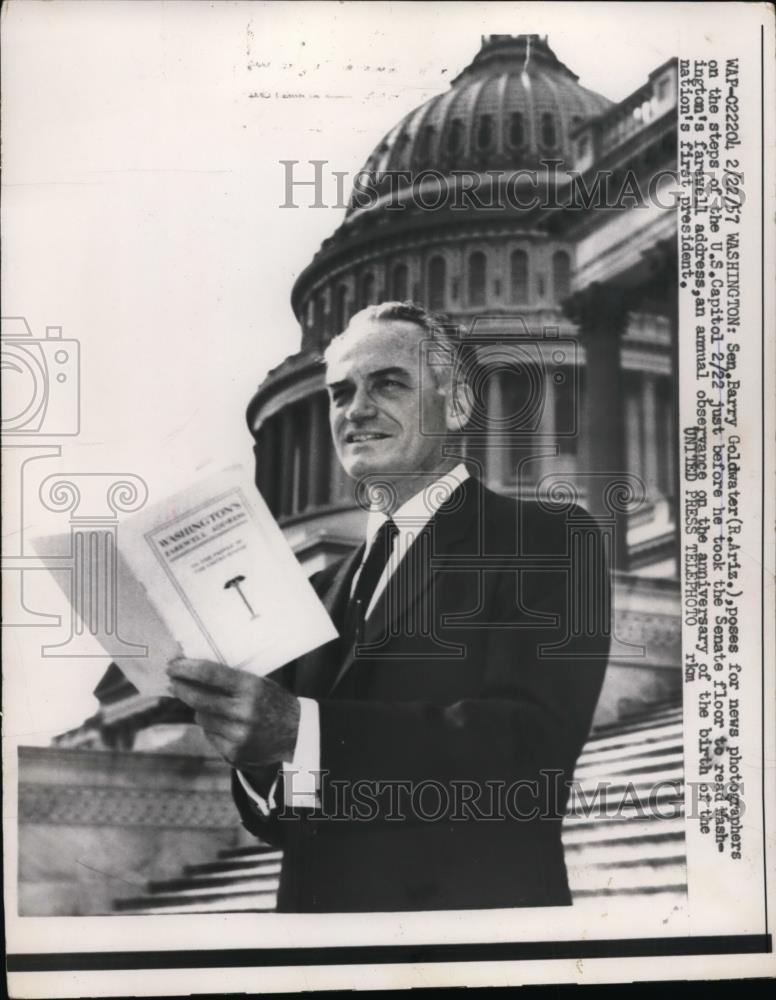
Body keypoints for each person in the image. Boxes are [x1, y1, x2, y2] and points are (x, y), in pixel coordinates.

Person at [167, 301, 610, 912]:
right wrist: (257, 754)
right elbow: (281, 820)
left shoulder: (548, 537)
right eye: (339, 392)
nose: (356, 411)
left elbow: (529, 749)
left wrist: (303, 731)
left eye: (388, 383)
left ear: (456, 404)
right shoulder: (317, 593)